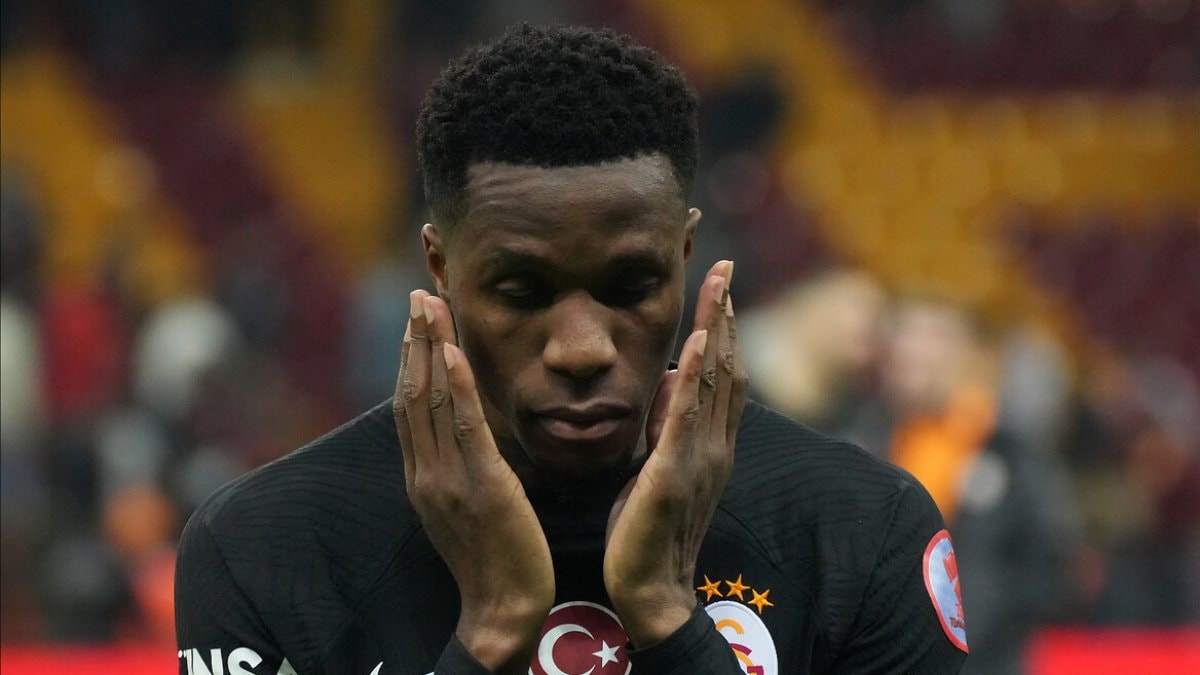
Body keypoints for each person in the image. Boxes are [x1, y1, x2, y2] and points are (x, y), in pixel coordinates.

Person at [175, 24, 968, 675]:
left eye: (630, 285)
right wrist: (491, 630)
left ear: (686, 255)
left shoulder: (859, 531)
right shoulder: (263, 547)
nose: (581, 349)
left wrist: (666, 613)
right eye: (521, 291)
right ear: (440, 267)